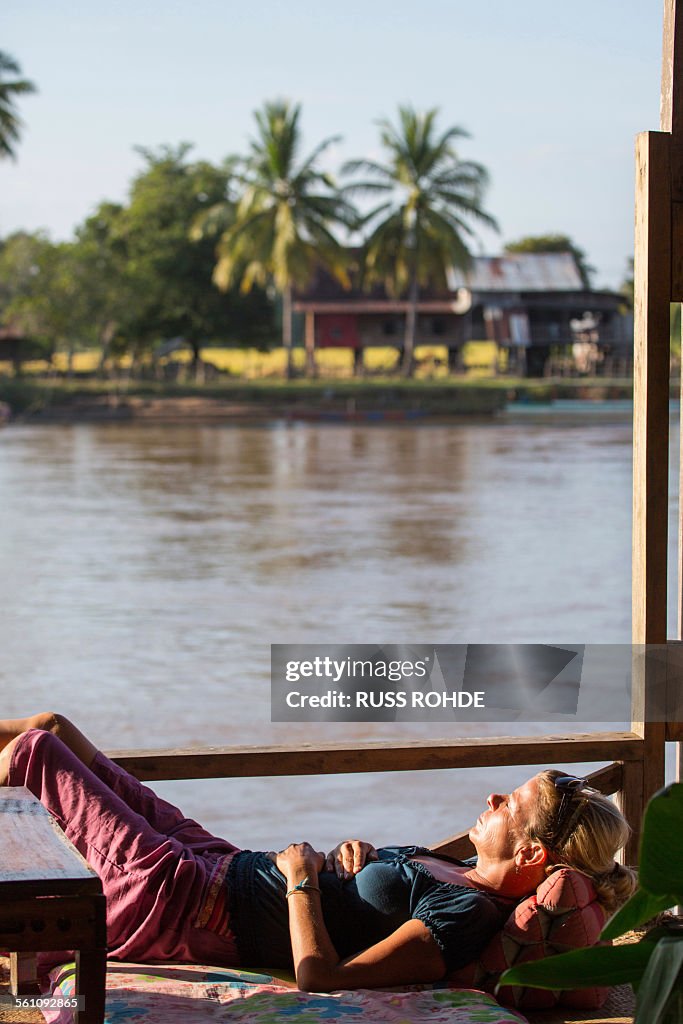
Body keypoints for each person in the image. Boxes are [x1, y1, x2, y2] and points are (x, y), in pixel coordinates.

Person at [0, 713, 636, 992]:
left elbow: (320, 977)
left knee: (36, 755)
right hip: (219, 859)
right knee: (55, 729)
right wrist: (350, 855)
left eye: (510, 805)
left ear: (530, 857)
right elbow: (365, 903)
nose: (494, 796)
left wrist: (302, 880)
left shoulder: (465, 916)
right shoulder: (459, 871)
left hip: (190, 900)